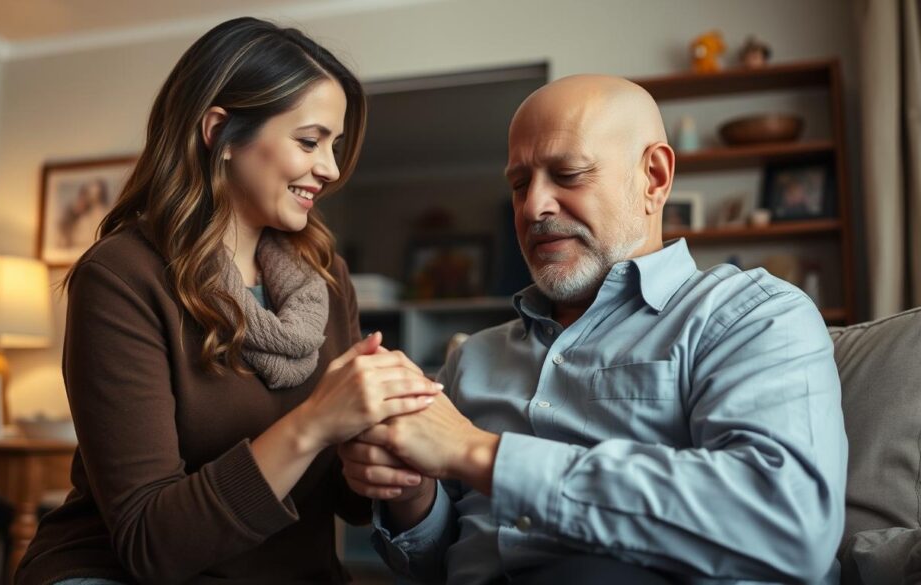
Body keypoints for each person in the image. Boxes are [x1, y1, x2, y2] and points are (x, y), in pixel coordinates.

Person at [340, 75, 847, 584]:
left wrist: (475, 452)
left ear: (654, 177)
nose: (533, 206)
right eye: (519, 184)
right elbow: (441, 561)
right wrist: (412, 493)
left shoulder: (750, 317)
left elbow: (788, 524)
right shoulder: (471, 357)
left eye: (569, 174)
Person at [16, 18, 441, 585]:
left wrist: (392, 455)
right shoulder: (121, 276)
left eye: (334, 146)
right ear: (220, 132)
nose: (332, 168)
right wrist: (315, 421)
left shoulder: (327, 278)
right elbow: (149, 544)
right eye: (310, 141)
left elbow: (348, 499)